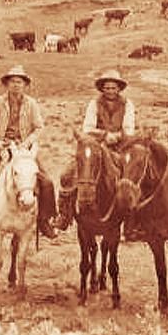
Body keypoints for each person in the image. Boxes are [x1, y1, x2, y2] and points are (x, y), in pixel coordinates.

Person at [0, 66, 59, 241]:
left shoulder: (31, 104)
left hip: (24, 151)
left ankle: (45, 220)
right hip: (1, 148)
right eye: (12, 82)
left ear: (24, 85)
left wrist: (27, 143)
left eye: (19, 82)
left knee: (47, 182)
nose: (16, 85)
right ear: (7, 85)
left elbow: (39, 127)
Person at [58, 68, 135, 229]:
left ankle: (132, 221)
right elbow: (88, 127)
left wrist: (117, 136)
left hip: (120, 147)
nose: (110, 91)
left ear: (119, 88)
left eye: (113, 88)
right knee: (68, 173)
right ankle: (64, 214)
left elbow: (129, 129)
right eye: (107, 88)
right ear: (102, 89)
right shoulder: (94, 104)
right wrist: (104, 135)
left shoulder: (127, 104)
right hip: (96, 145)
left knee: (132, 177)